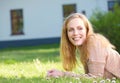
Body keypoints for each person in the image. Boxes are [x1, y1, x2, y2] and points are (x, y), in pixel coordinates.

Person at [46, 13, 120, 79]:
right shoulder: (84, 48)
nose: (75, 33)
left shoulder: (94, 42)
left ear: (87, 30)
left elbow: (95, 78)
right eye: (71, 30)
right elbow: (89, 77)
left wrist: (63, 74)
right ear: (66, 34)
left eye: (80, 28)